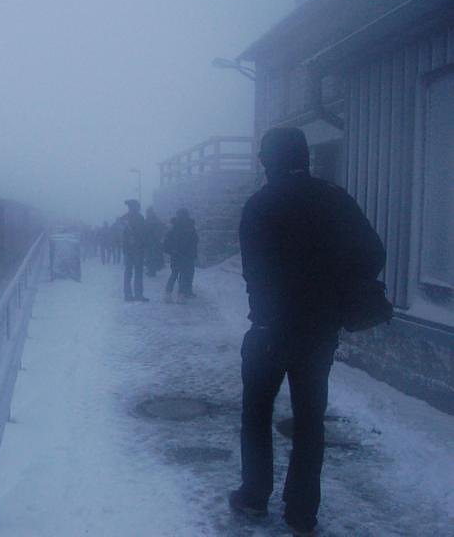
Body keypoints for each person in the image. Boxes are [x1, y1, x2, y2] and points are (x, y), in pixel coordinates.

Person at [229, 127, 385, 536]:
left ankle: (254, 495)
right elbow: (373, 252)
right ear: (304, 157)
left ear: (272, 160)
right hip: (318, 331)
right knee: (310, 420)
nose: (261, 162)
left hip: (270, 328)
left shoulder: (261, 204)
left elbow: (253, 269)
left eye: (264, 156)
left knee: (256, 414)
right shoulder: (335, 199)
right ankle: (302, 512)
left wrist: (271, 304)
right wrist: (336, 286)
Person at [162, 208, 198, 302]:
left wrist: (172, 250)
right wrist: (192, 254)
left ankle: (168, 294)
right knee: (183, 275)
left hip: (176, 255)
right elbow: (194, 241)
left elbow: (166, 242)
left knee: (174, 274)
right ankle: (181, 295)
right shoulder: (190, 227)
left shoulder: (174, 228)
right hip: (186, 255)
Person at [121, 199, 149, 302]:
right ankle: (138, 294)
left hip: (128, 249)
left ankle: (128, 295)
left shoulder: (124, 219)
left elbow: (122, 236)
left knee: (128, 272)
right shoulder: (139, 218)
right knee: (138, 273)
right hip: (138, 249)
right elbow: (144, 234)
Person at [144, 207, 166, 277]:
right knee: (150, 256)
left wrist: (157, 237)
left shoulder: (154, 220)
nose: (147, 213)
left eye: (148, 212)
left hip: (153, 242)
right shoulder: (150, 220)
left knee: (152, 256)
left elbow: (160, 229)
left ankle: (152, 271)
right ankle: (151, 270)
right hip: (150, 242)